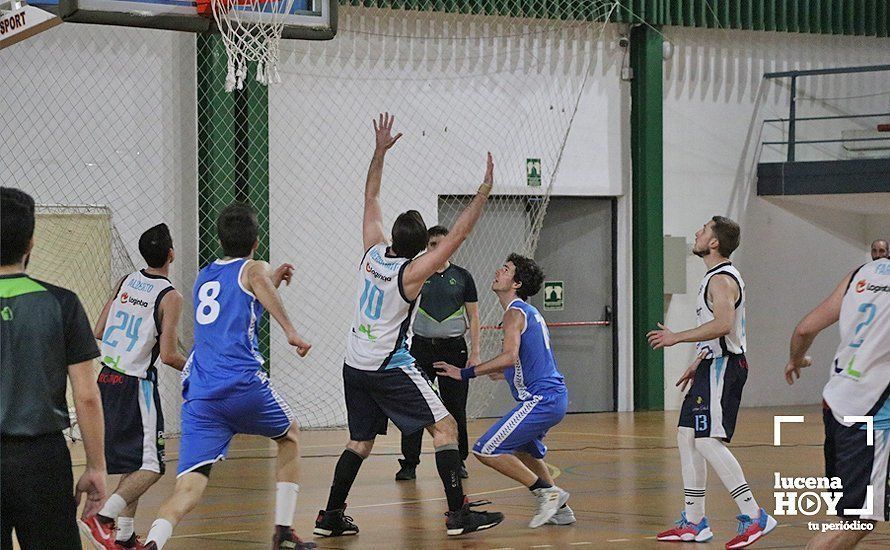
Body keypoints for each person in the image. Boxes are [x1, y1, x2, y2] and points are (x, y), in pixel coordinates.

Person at [313, 113, 503, 539]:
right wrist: (484, 192)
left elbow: (370, 197)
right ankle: (459, 515)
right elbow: (456, 238)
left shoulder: (371, 252)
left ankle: (330, 516)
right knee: (446, 427)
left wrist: (379, 152)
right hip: (387, 366)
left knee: (359, 442)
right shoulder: (412, 274)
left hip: (354, 364)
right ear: (420, 250)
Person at [142, 203, 315, 550]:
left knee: (188, 487)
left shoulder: (204, 275)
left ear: (219, 240)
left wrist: (270, 283)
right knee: (290, 436)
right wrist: (291, 331)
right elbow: (254, 280)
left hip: (201, 397)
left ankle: (153, 542)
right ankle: (283, 533)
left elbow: (241, 305)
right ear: (256, 240)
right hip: (242, 386)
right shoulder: (255, 268)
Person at [647, 216, 776, 548]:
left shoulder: (721, 280)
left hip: (726, 366)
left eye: (703, 230)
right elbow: (720, 332)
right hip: (712, 364)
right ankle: (694, 521)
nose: (697, 233)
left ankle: (754, 514)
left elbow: (722, 325)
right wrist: (698, 361)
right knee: (686, 436)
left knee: (706, 441)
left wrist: (677, 338)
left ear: (714, 243)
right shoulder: (714, 278)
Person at [0, 187, 107, 549]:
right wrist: (96, 466)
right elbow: (87, 396)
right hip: (42, 461)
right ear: (30, 241)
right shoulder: (62, 303)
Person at [436, 253, 574, 529]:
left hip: (542, 398)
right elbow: (521, 361)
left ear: (517, 283)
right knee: (525, 452)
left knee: (485, 449)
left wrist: (464, 373)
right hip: (552, 397)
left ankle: (546, 493)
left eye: (507, 269)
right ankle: (561, 510)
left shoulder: (514, 312)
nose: (499, 271)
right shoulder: (525, 312)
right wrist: (500, 373)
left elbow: (510, 356)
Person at [80, 223, 188, 549]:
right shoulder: (170, 296)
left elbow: (99, 330)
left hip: (106, 379)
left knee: (133, 464)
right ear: (171, 254)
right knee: (153, 466)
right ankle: (102, 518)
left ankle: (125, 538)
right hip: (134, 385)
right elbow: (168, 355)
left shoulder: (126, 281)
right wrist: (200, 368)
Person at [784, 255, 890, 550]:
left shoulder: (862, 274)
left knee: (849, 512)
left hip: (836, 403)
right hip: (871, 414)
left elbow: (804, 329)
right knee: (856, 522)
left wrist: (795, 360)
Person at [395, 225, 481, 482]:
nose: (438, 249)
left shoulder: (463, 277)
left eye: (443, 244)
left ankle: (459, 460)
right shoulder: (418, 274)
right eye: (433, 245)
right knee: (414, 406)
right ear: (426, 247)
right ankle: (409, 463)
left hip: (454, 349)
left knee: (455, 407)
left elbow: (474, 316)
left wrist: (475, 352)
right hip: (421, 347)